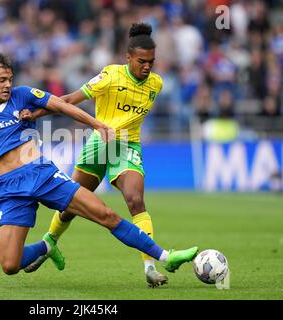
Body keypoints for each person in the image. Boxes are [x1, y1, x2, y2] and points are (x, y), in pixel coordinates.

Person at [0, 53, 197, 278]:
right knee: (10, 266)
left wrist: (96, 124)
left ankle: (165, 256)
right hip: (11, 189)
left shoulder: (23, 96)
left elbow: (61, 104)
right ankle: (47, 248)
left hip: (42, 174)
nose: (8, 84)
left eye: (10, 79)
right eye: (2, 80)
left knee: (106, 214)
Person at [21, 23, 173, 287]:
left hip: (127, 147)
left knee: (135, 201)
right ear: (128, 58)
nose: (147, 67)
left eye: (151, 61)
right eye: (141, 61)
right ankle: (49, 242)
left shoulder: (156, 85)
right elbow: (68, 100)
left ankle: (149, 268)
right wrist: (35, 114)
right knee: (69, 206)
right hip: (98, 144)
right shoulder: (110, 76)